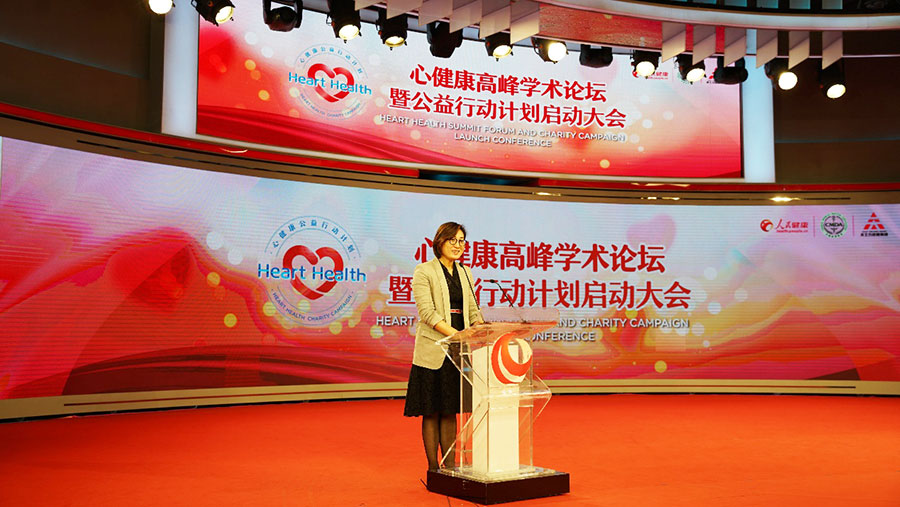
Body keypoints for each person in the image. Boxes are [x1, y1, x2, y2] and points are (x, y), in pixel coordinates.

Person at [403, 222, 483, 472]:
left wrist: (479, 327)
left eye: (461, 241)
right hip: (434, 350)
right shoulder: (424, 271)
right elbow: (427, 313)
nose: (458, 245)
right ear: (440, 242)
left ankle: (450, 468)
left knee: (450, 411)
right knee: (432, 411)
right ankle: (433, 469)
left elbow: (473, 310)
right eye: (452, 240)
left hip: (459, 352)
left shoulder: (466, 273)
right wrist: (456, 335)